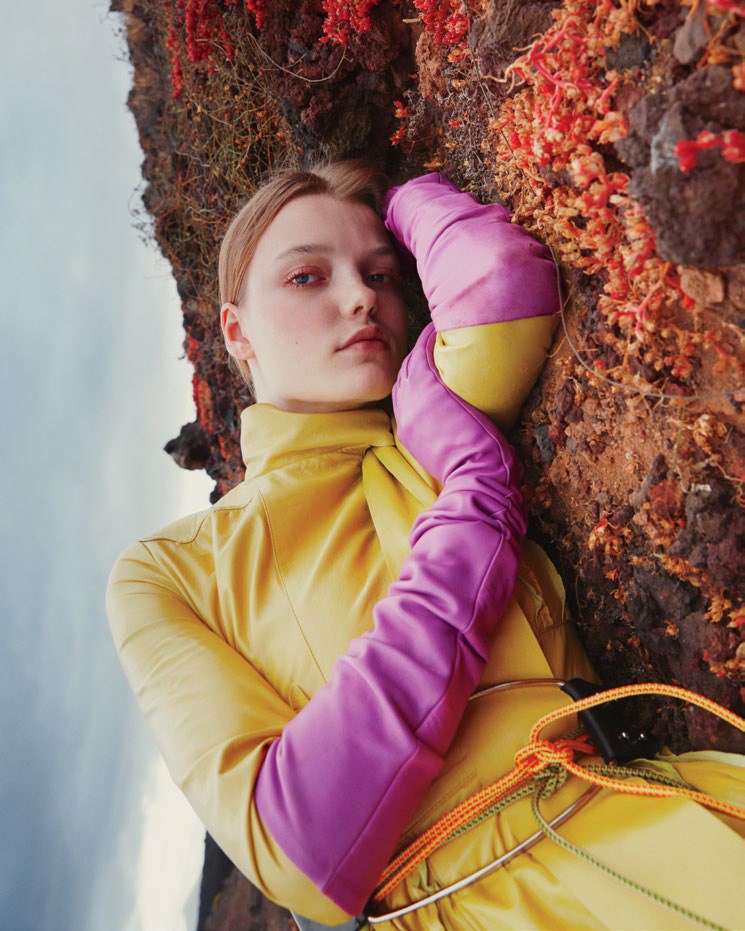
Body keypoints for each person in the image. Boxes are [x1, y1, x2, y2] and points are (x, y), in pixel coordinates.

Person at [107, 161, 744, 930]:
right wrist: (475, 501)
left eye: (380, 275)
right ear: (237, 330)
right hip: (471, 907)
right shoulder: (168, 571)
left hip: (662, 824)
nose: (360, 297)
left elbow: (497, 278)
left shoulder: (429, 419)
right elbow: (294, 841)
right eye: (307, 277)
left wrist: (399, 197)